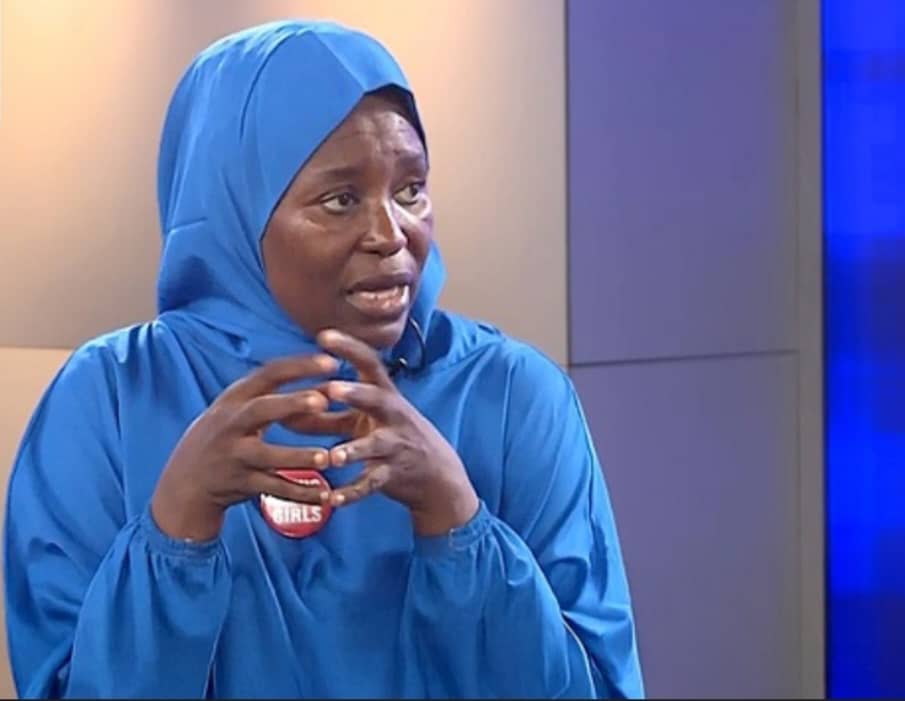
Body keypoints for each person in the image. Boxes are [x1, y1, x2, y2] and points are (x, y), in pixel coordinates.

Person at [3, 19, 643, 699]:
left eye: (411, 190)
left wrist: (458, 520)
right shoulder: (109, 400)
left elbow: (601, 685)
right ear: (233, 210)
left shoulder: (513, 394)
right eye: (341, 200)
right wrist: (178, 526)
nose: (392, 234)